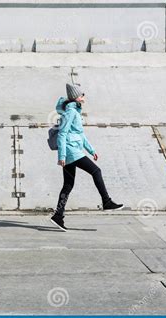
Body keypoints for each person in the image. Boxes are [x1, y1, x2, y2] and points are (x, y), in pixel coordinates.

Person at [50, 84, 123, 231]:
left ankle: (58, 216)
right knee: (96, 171)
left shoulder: (75, 111)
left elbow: (80, 134)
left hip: (74, 149)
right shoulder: (70, 112)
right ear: (75, 97)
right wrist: (62, 155)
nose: (84, 96)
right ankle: (106, 201)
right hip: (71, 151)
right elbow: (62, 134)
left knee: (68, 184)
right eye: (81, 94)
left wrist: (91, 150)